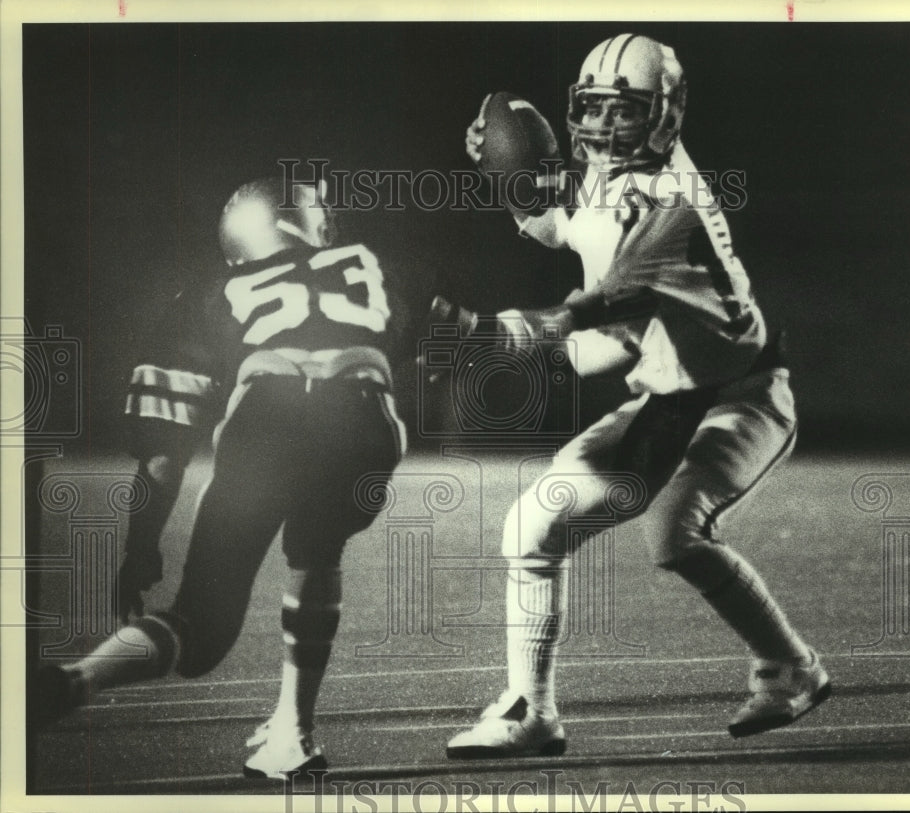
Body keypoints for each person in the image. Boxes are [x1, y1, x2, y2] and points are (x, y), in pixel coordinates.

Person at [441, 33, 830, 758]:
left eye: (622, 113)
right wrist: (511, 176)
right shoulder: (616, 179)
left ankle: (792, 668)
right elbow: (567, 226)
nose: (599, 128)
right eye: (591, 110)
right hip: (667, 399)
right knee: (532, 526)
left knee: (673, 533)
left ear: (664, 114)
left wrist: (490, 331)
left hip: (740, 396)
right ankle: (533, 711)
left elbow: (593, 304)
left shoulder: (673, 202)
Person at [33, 176, 407, 780]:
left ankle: (77, 680)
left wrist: (140, 547)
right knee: (317, 551)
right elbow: (449, 326)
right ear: (317, 223)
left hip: (266, 417)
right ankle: (293, 730)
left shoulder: (210, 293)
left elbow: (162, 457)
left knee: (196, 632)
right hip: (361, 421)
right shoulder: (370, 264)